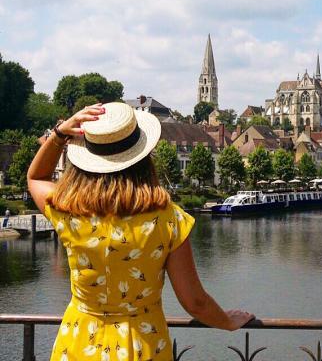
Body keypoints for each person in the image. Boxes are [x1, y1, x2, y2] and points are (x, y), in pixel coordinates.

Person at [28, 102, 254, 360]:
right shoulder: (168, 220)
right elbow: (195, 302)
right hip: (143, 344)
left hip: (79, 342)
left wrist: (59, 134)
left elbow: (36, 177)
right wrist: (226, 321)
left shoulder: (68, 211)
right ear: (142, 158)